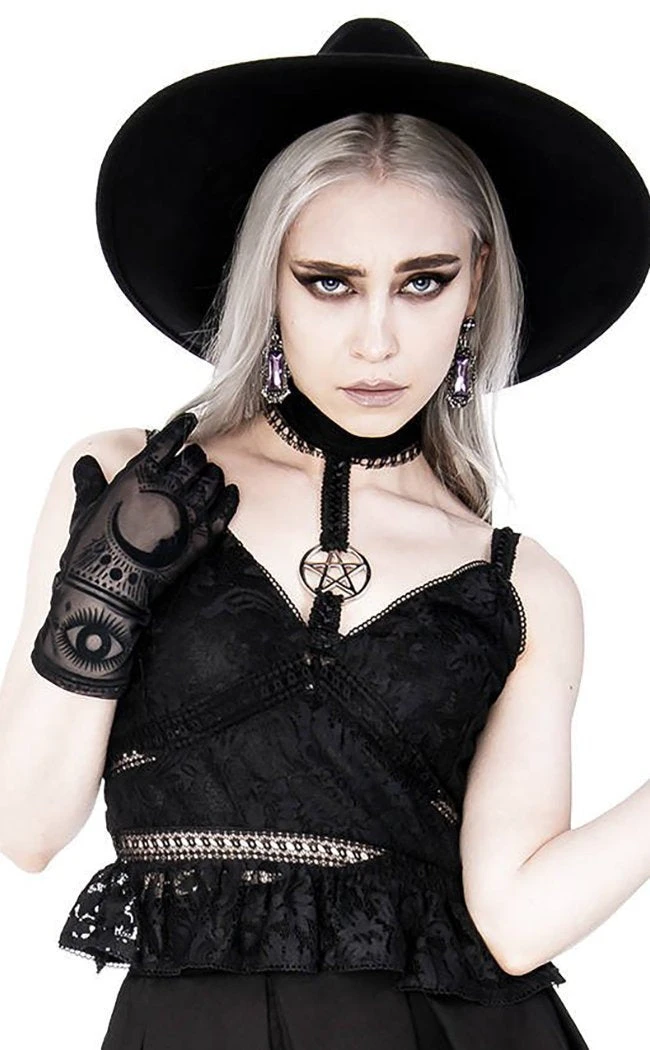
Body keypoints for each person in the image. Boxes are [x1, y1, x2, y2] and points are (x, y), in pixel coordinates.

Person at [1, 15, 649, 1050]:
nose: (377, 341)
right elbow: (27, 830)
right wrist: (105, 587)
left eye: (423, 281)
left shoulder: (519, 583)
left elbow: (515, 919)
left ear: (477, 282)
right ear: (268, 277)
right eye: (330, 282)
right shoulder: (125, 484)